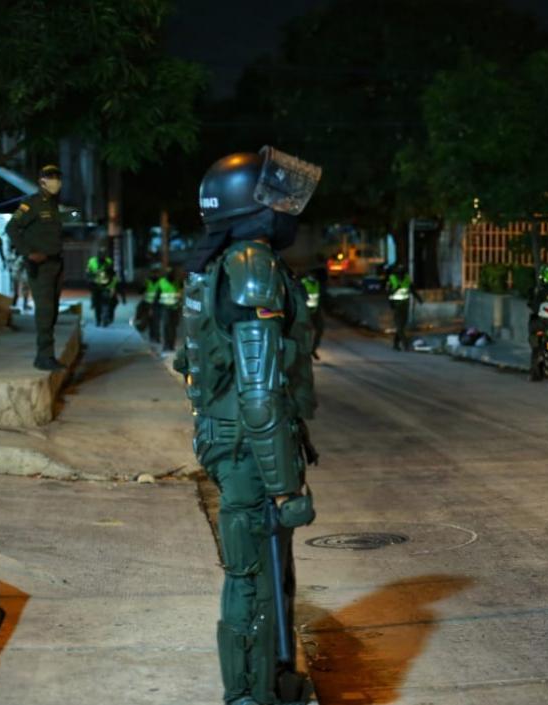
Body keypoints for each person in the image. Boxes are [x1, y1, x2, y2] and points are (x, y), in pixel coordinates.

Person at [174, 146, 321, 705]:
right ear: (249, 208)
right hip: (250, 449)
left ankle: (272, 684)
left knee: (264, 575)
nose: (288, 208)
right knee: (253, 581)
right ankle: (248, 698)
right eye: (277, 199)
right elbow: (260, 394)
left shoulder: (219, 263)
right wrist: (285, 485)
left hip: (233, 442)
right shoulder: (250, 265)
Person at [5, 165, 66, 370]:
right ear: (41, 180)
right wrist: (28, 252)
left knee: (54, 311)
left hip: (56, 263)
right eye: (50, 177)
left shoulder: (53, 205)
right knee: (45, 311)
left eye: (57, 177)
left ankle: (48, 355)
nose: (55, 180)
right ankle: (44, 356)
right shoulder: (32, 204)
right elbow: (11, 228)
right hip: (40, 266)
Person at [386, 262, 422, 351]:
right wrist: (391, 304)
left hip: (405, 305)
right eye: (399, 272)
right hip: (396, 305)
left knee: (402, 326)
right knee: (399, 326)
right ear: (396, 272)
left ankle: (395, 344)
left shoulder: (407, 278)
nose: (401, 273)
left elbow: (412, 289)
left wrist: (419, 298)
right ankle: (405, 344)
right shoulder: (392, 278)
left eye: (402, 272)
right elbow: (388, 292)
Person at [86, 242, 116, 327]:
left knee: (105, 302)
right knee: (97, 304)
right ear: (98, 255)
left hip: (105, 286)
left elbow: (112, 275)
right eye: (101, 255)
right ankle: (98, 320)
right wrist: (90, 281)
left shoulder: (108, 262)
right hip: (95, 286)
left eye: (104, 255)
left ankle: (105, 319)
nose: (103, 257)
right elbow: (88, 273)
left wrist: (112, 287)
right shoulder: (92, 261)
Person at [301, 267, 324, 359]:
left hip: (315, 311)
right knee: (306, 332)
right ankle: (305, 351)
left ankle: (313, 349)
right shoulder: (303, 283)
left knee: (319, 329)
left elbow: (318, 297)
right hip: (305, 311)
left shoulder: (317, 283)